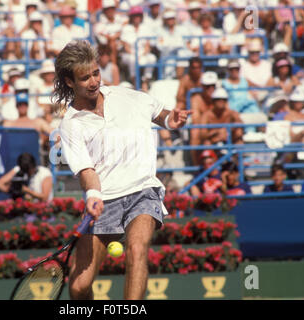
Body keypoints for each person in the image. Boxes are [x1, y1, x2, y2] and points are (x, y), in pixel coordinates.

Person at [55, 40, 191, 300]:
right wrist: (93, 196)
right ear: (69, 81)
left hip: (142, 189)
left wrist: (170, 120)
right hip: (104, 199)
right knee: (79, 286)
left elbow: (159, 113)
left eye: (96, 73)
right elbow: (86, 170)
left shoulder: (126, 95)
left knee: (137, 250)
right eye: (85, 78)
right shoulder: (71, 124)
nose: (94, 81)